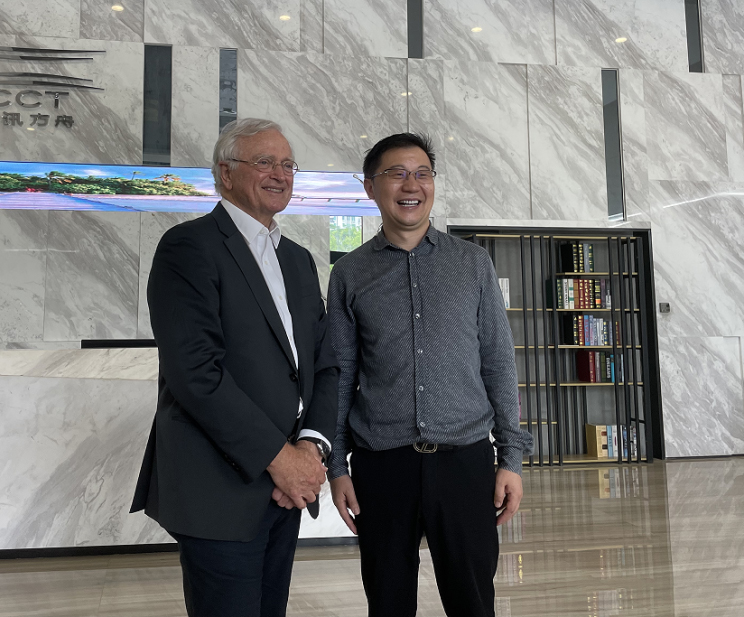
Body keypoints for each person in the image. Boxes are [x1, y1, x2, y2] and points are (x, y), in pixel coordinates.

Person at [131, 118, 339, 617]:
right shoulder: (188, 247)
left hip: (286, 490)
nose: (280, 174)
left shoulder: (298, 260)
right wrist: (281, 459)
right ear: (226, 173)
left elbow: (324, 366)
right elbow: (196, 374)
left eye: (288, 164)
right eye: (264, 162)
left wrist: (310, 449)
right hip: (219, 489)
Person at [327, 132, 533, 617]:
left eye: (422, 173)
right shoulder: (349, 274)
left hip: (465, 463)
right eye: (396, 173)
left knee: (473, 603)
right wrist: (337, 467)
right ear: (370, 187)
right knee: (388, 602)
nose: (411, 185)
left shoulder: (472, 263)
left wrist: (511, 458)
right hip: (382, 466)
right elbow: (340, 375)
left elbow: (498, 361)